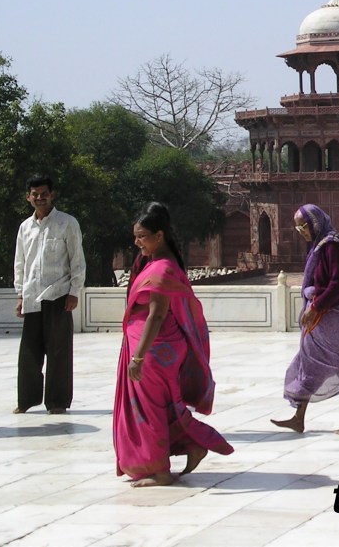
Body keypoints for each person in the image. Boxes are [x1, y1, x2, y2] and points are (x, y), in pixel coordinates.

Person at [113, 202, 233, 487]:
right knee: (163, 407)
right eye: (135, 236)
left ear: (160, 235)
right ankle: (193, 446)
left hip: (155, 350)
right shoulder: (156, 263)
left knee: (150, 410)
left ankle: (161, 472)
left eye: (142, 236)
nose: (137, 242)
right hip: (155, 348)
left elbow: (156, 315)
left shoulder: (163, 268)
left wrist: (139, 357)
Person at [271, 204, 339, 435]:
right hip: (322, 314)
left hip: (333, 316)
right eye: (298, 229)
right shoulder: (320, 245)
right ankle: (298, 418)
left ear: (315, 222)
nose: (302, 232)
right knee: (309, 363)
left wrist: (315, 306)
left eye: (303, 227)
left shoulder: (331, 245)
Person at [13, 175, 86, 415]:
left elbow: (77, 260)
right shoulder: (25, 227)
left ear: (52, 195)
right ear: (28, 197)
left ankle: (57, 402)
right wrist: (20, 294)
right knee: (29, 353)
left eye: (44, 193)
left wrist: (74, 291)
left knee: (59, 351)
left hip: (58, 294)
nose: (39, 197)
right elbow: (20, 263)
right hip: (32, 296)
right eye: (35, 194)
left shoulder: (67, 223)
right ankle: (26, 400)